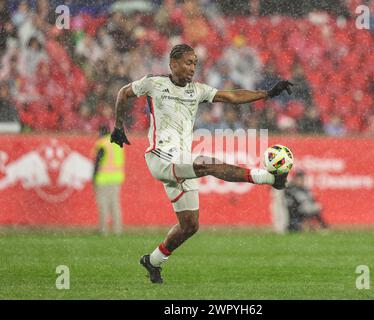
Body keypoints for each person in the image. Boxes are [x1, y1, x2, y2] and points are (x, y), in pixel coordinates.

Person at [110, 43, 293, 284]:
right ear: (173, 64)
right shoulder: (154, 83)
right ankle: (270, 179)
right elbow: (123, 92)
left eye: (195, 63)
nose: (192, 68)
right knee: (207, 163)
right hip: (160, 155)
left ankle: (153, 261)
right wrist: (118, 126)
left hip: (181, 159)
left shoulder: (197, 91)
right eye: (188, 62)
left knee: (189, 225)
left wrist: (267, 94)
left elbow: (231, 96)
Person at [93, 125, 125, 235]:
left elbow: (98, 161)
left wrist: (93, 176)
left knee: (103, 205)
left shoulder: (102, 143)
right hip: (116, 178)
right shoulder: (117, 143)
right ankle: (117, 229)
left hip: (103, 178)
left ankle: (103, 229)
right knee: (115, 205)